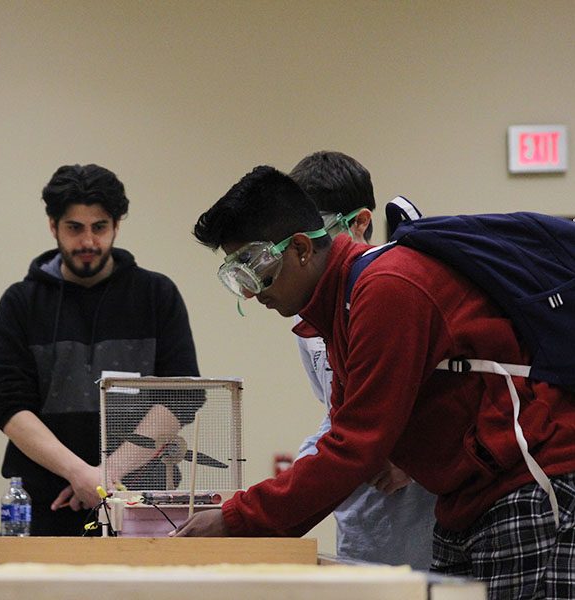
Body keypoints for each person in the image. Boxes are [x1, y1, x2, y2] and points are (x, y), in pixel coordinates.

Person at [177, 165, 575, 599]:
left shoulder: (387, 288)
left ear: (301, 249)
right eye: (237, 276)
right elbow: (352, 439)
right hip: (467, 503)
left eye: (254, 266)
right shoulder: (339, 308)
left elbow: (355, 447)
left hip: (530, 488)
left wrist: (236, 519)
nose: (252, 291)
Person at [0, 163, 200, 536]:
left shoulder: (156, 295)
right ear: (53, 226)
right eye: (74, 228)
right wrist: (78, 473)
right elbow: (8, 405)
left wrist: (103, 477)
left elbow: (181, 396)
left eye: (99, 227)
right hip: (47, 504)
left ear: (117, 225)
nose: (88, 242)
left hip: (141, 502)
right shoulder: (20, 303)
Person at [288, 151, 435, 569]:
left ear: (360, 222)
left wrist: (407, 455)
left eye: (319, 233)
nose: (308, 253)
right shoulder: (310, 313)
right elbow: (337, 411)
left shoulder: (396, 287)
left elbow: (449, 398)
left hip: (424, 503)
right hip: (364, 507)